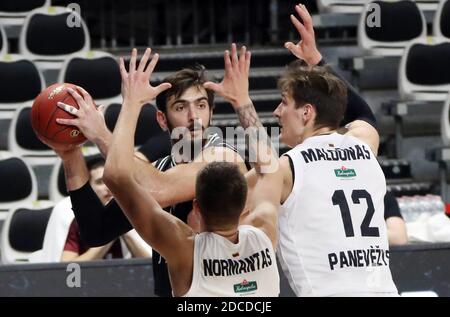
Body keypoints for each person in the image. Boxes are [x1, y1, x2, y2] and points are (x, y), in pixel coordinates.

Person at [210, 3, 397, 296]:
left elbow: (265, 164)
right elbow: (363, 113)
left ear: (307, 113)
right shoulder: (365, 145)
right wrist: (318, 62)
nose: (276, 112)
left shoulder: (289, 168)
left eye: (284, 102)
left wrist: (241, 102)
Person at [46, 52, 247, 296]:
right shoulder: (158, 168)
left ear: (211, 113)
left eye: (201, 105)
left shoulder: (224, 159)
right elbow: (96, 230)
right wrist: (71, 157)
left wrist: (102, 132)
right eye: (181, 107)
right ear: (162, 120)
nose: (194, 117)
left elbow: (159, 189)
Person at [102, 46, 281, 296]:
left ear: (196, 208)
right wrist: (242, 100)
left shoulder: (185, 250)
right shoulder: (264, 233)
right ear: (245, 205)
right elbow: (271, 171)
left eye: (200, 105)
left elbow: (116, 175)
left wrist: (131, 103)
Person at [60, 155, 152, 262]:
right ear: (90, 189)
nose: (108, 188)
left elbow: (154, 266)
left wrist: (125, 232)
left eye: (111, 180)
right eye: (100, 182)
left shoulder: (142, 216)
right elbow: (66, 267)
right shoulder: (79, 223)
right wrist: (110, 231)